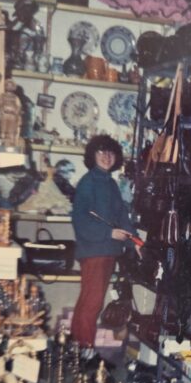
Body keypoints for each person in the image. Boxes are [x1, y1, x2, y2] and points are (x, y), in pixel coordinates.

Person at [71, 135, 138, 349]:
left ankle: (78, 348)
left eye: (111, 152)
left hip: (107, 250)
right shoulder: (88, 182)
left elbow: (121, 216)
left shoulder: (109, 183)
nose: (107, 157)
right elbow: (80, 219)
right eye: (101, 152)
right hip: (94, 250)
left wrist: (135, 241)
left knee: (90, 301)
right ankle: (84, 349)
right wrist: (108, 234)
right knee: (92, 302)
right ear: (92, 155)